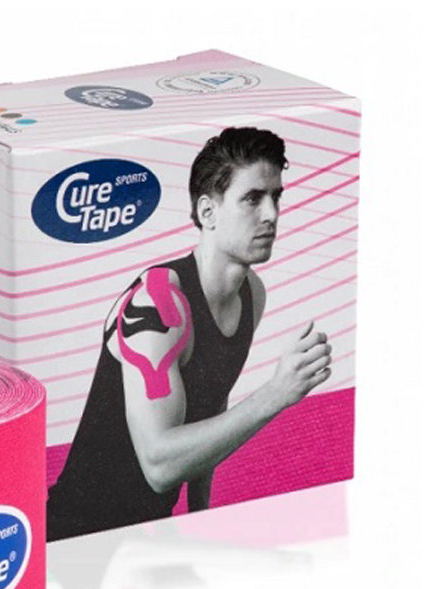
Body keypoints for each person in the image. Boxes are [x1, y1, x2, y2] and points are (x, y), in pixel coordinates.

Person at [47, 126, 332, 540]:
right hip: (77, 537)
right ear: (208, 212)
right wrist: (276, 393)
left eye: (276, 197)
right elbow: (159, 464)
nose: (271, 214)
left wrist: (200, 519)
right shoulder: (158, 304)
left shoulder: (251, 294)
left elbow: (211, 409)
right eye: (253, 198)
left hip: (149, 538)